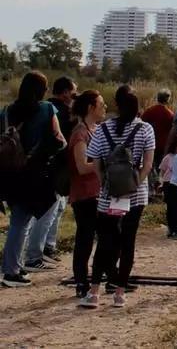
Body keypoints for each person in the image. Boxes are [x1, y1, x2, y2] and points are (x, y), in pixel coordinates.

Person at [80, 87, 154, 308]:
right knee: (127, 241)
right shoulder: (145, 129)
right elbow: (148, 164)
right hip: (136, 195)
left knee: (105, 241)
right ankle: (120, 293)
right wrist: (134, 184)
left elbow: (95, 161)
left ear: (117, 105)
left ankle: (94, 292)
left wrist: (105, 184)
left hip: (108, 196)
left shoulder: (103, 129)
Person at [1, 71, 65, 288]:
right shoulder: (47, 109)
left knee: (18, 220)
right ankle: (11, 271)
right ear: (41, 90)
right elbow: (59, 140)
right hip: (33, 171)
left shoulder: (7, 111)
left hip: (10, 173)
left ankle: (12, 266)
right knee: (22, 222)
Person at [23, 76, 76, 271]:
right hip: (52, 169)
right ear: (64, 93)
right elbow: (61, 141)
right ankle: (34, 255)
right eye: (73, 92)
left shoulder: (34, 108)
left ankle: (43, 250)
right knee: (46, 213)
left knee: (54, 210)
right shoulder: (54, 111)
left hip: (36, 167)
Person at [66, 90, 104, 298]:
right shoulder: (80, 133)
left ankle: (100, 277)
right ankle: (81, 280)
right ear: (91, 107)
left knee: (104, 237)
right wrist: (104, 162)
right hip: (84, 194)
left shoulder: (96, 130)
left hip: (98, 192)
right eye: (101, 104)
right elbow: (81, 166)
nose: (104, 108)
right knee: (85, 238)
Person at [141, 89, 175, 169]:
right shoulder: (170, 114)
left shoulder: (149, 111)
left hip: (149, 144)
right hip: (163, 145)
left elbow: (141, 124)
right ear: (168, 100)